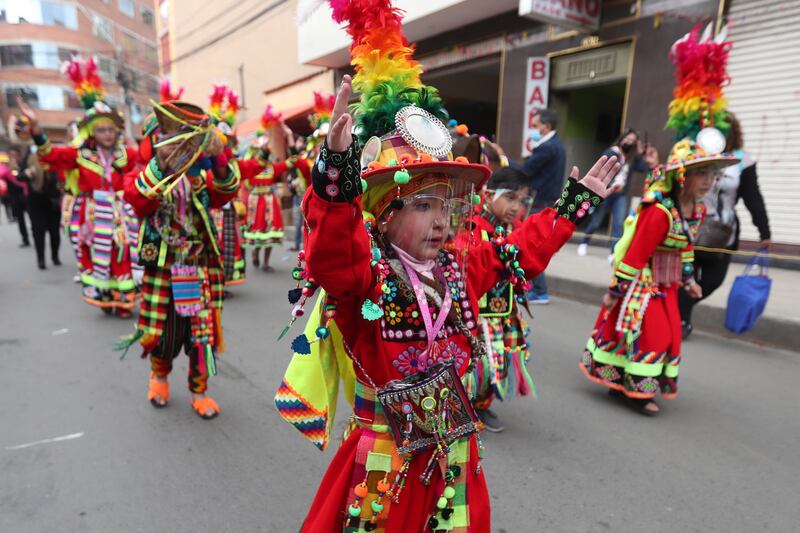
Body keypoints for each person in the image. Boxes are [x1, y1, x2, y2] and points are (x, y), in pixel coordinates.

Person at [278, 2, 618, 529]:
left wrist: (571, 207)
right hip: (382, 464)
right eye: (422, 205)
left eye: (445, 206)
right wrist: (336, 172)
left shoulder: (460, 270)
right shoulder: (364, 280)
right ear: (384, 215)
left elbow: (521, 251)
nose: (440, 221)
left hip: (453, 461)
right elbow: (331, 250)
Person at [579, 22, 738, 416]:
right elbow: (634, 255)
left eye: (712, 176)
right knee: (649, 333)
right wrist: (616, 292)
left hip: (668, 285)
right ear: (683, 175)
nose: (708, 183)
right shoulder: (659, 211)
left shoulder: (694, 211)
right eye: (702, 174)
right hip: (644, 284)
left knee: (668, 336)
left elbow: (686, 249)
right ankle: (635, 391)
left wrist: (689, 279)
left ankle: (630, 385)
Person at [120, 100, 240, 419]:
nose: (180, 145)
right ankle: (159, 377)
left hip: (199, 265)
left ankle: (199, 390)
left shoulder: (199, 177)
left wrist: (218, 157)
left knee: (201, 333)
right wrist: (162, 162)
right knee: (163, 330)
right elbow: (138, 201)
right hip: (163, 266)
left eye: (186, 138)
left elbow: (226, 192)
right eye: (171, 137)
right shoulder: (143, 174)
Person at [17, 58, 141, 317]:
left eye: (111, 129)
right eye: (102, 130)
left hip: (118, 212)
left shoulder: (126, 154)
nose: (107, 134)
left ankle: (123, 300)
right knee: (98, 255)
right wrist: (37, 129)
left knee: (121, 251)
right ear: (92, 133)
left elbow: (145, 163)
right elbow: (49, 154)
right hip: (91, 213)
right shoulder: (78, 155)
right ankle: (105, 297)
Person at [678, 112, 771, 338]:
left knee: (712, 281)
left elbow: (752, 196)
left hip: (722, 233)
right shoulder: (694, 152)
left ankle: (681, 310)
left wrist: (764, 230)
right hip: (689, 225)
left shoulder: (742, 160)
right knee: (684, 277)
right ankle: (680, 321)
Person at [469, 166, 536, 433]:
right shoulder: (473, 228)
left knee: (498, 358)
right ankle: (467, 403)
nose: (515, 207)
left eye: (521, 201)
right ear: (487, 195)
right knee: (477, 360)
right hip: (478, 313)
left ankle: (480, 404)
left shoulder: (509, 230)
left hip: (502, 309)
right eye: (509, 198)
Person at [519, 108, 566, 304]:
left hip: (540, 202)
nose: (534, 129)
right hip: (548, 201)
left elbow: (526, 171)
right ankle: (537, 289)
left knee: (531, 246)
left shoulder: (547, 148)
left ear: (546, 127)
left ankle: (539, 290)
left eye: (536, 125)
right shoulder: (556, 145)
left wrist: (503, 161)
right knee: (536, 246)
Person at [577, 128, 643, 261]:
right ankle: (584, 243)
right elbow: (602, 168)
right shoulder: (612, 152)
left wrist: (640, 151)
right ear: (622, 138)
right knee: (596, 220)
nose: (629, 142)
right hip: (605, 193)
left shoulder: (631, 158)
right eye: (627, 139)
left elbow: (642, 168)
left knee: (619, 223)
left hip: (621, 195)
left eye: (632, 141)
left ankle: (613, 252)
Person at [19, 146, 62, 269]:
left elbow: (61, 175)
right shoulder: (29, 158)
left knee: (54, 232)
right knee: (38, 232)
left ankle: (55, 256)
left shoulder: (53, 157)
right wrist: (27, 174)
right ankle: (41, 259)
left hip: (53, 200)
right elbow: (20, 176)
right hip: (36, 201)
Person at [1, 147, 30, 247]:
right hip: (14, 197)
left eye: (15, 155)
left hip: (26, 195)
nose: (13, 158)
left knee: (32, 216)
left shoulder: (24, 166)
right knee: (20, 219)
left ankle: (36, 234)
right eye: (11, 156)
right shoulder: (5, 168)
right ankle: (25, 238)